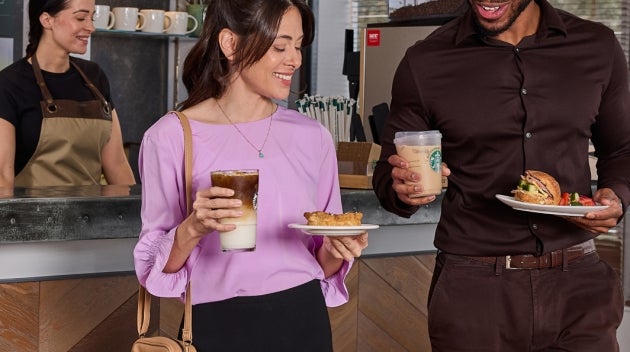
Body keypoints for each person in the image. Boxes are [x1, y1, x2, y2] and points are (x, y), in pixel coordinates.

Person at [372, 0, 630, 350]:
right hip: (475, 291)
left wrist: (616, 196)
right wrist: (402, 187)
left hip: (579, 286)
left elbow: (622, 149)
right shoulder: (425, 61)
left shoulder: (597, 45)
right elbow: (389, 174)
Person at [133, 1, 368, 351]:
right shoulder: (170, 137)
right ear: (231, 44)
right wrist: (193, 227)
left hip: (304, 318)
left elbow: (323, 252)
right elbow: (156, 269)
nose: (295, 59)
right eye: (280, 46)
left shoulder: (312, 135)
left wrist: (338, 249)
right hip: (218, 323)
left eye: (299, 46)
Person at [0, 0, 135, 188]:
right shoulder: (9, 84)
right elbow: (2, 178)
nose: (91, 27)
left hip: (92, 214)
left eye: (92, 18)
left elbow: (117, 164)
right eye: (80, 18)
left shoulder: (95, 77)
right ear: (47, 20)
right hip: (32, 216)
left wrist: (138, 214)